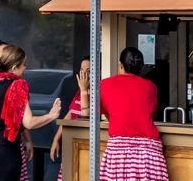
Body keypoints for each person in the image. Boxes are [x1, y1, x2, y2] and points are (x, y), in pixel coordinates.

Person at [0, 42, 59, 181]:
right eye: (23, 64)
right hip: (6, 152)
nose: (25, 68)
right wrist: (52, 115)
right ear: (14, 68)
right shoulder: (18, 85)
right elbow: (29, 123)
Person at [97, 47, 168, 181]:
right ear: (141, 68)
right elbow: (150, 112)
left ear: (121, 65)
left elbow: (103, 112)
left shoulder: (104, 85)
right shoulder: (151, 87)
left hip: (119, 152)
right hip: (148, 151)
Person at [49, 59, 91, 167]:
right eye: (82, 70)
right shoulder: (79, 93)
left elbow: (85, 116)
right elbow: (69, 116)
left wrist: (83, 91)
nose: (84, 75)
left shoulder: (96, 93)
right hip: (72, 144)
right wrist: (56, 139)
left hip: (86, 147)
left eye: (89, 71)